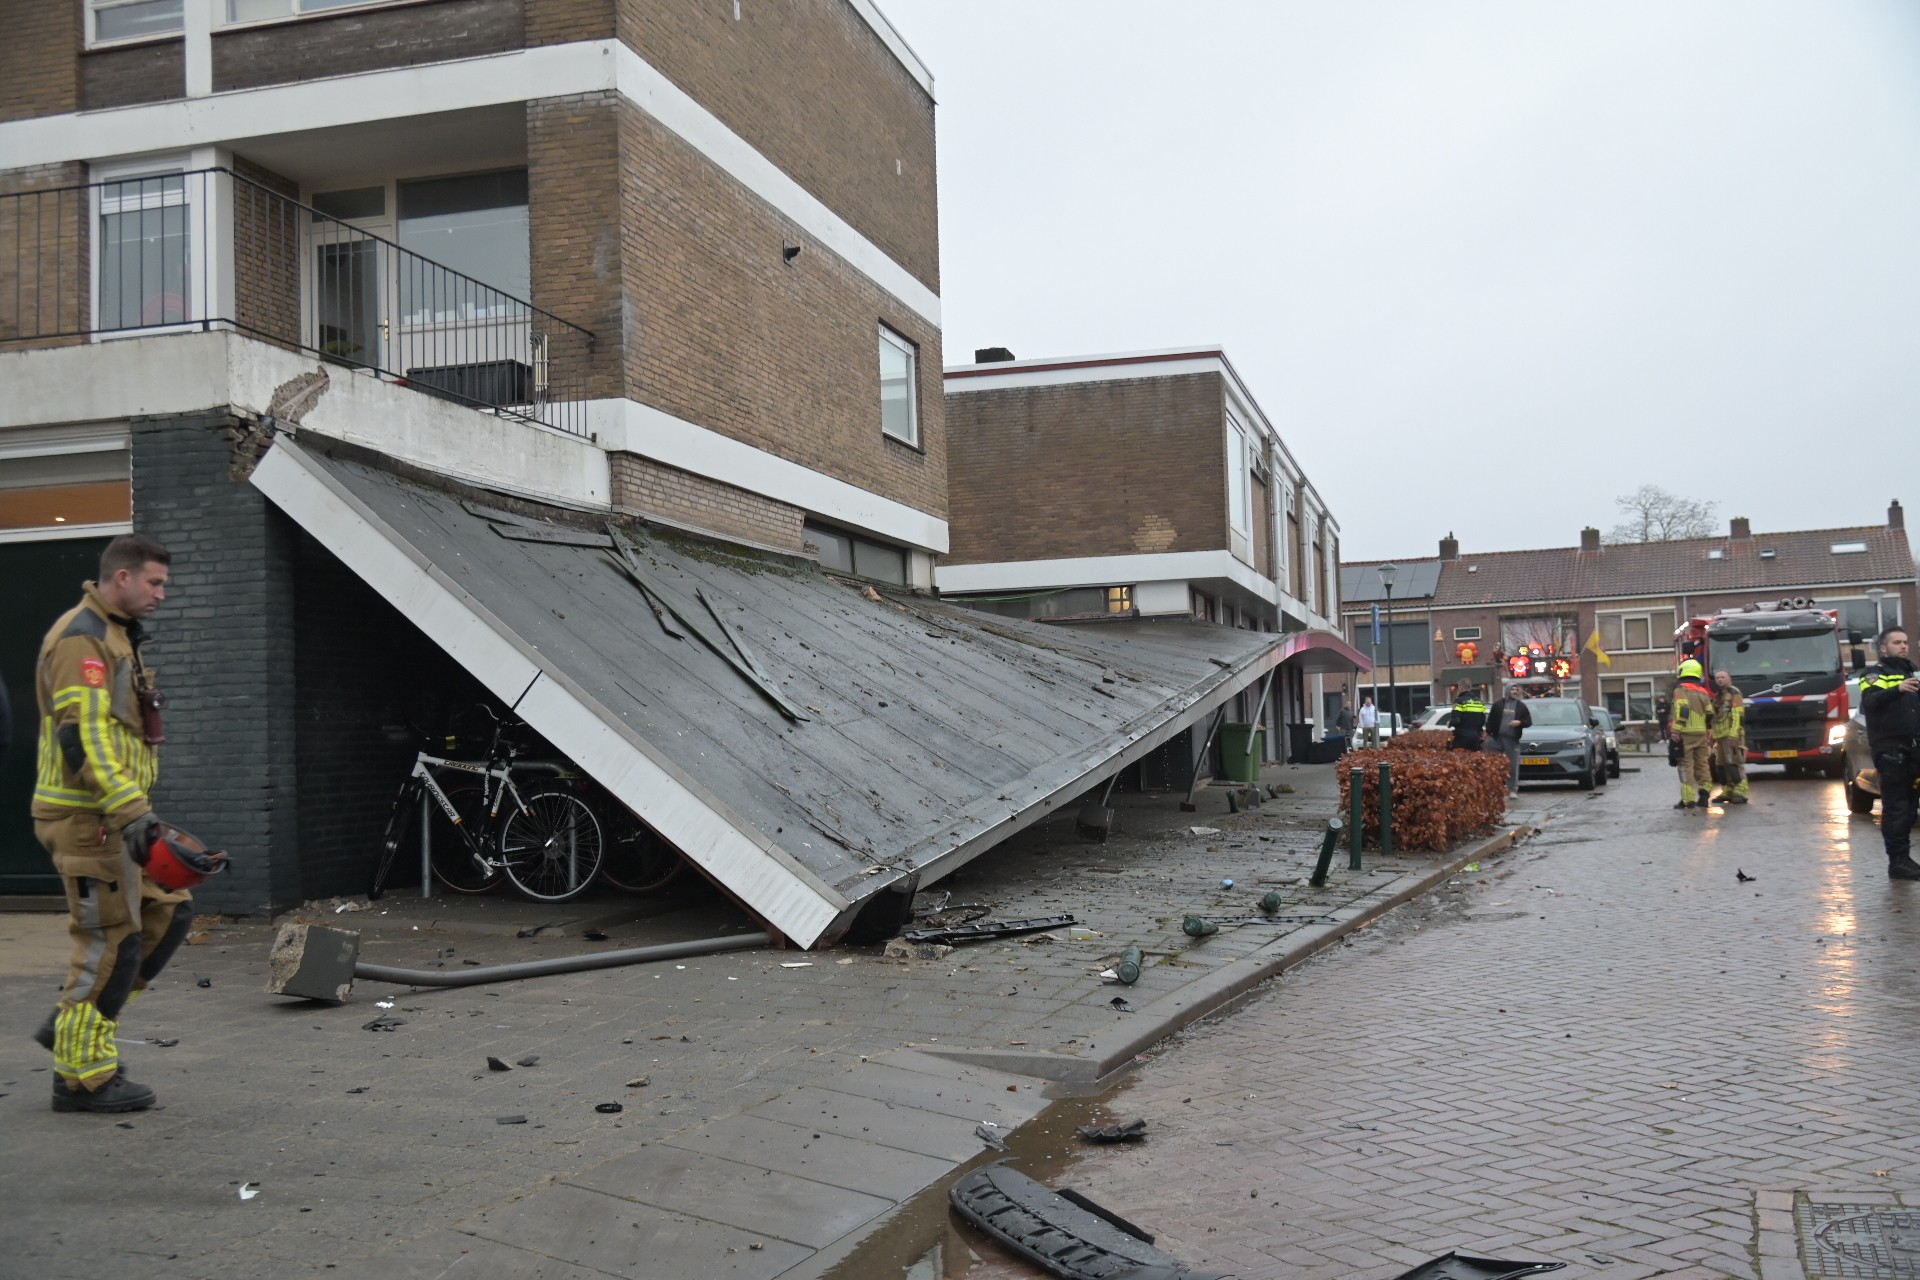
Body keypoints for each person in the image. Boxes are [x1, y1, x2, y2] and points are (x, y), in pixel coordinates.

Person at [29, 535, 190, 1113]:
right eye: (154, 583)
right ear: (121, 579)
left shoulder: (117, 635)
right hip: (87, 820)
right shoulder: (85, 641)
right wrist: (133, 813)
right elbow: (84, 736)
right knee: (110, 944)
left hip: (113, 816)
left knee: (168, 915)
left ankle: (72, 1028)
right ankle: (80, 1079)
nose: (161, 594)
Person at [1858, 625, 1920, 880]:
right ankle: (1898, 861)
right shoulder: (1873, 674)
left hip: (1914, 748)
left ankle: (1904, 859)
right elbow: (1871, 701)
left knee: (1911, 809)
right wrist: (1897, 689)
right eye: (1897, 642)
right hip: (1890, 749)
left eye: (1905, 642)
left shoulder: (1914, 671)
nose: (1903, 646)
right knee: (1897, 807)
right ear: (1883, 648)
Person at [1669, 658, 1715, 810]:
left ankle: (1688, 799)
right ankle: (1705, 794)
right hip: (1700, 733)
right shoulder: (1703, 691)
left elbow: (1682, 710)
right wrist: (1707, 729)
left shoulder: (1681, 689)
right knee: (1702, 764)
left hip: (1685, 734)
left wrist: (1676, 729)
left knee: (1685, 765)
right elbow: (1710, 712)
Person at [1709, 669, 1750, 805]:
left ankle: (1741, 791)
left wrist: (1734, 734)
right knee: (1720, 765)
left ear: (1729, 678)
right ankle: (1727, 790)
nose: (1720, 680)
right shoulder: (1718, 695)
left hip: (1731, 735)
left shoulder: (1734, 693)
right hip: (1720, 736)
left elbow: (1738, 714)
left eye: (1722, 677)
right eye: (1717, 678)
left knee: (1734, 763)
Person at [1485, 686, 1532, 796]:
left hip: (1512, 739)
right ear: (1507, 691)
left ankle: (1512, 790)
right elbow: (1490, 720)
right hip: (1496, 738)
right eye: (1512, 689)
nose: (1514, 691)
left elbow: (1528, 721)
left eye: (1516, 690)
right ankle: (1495, 788)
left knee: (1513, 765)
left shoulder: (1521, 706)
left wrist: (1519, 722)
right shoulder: (1498, 705)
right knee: (1493, 764)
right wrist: (1487, 733)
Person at [1449, 685, 1489, 752]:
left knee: (1458, 758)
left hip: (1461, 737)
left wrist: (1450, 723)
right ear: (1470, 688)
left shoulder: (1459, 701)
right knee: (1473, 758)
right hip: (1475, 738)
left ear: (1461, 688)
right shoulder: (1480, 702)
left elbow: (1456, 720)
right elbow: (1483, 721)